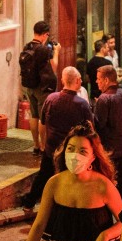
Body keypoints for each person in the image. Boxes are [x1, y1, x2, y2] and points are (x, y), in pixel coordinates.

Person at [23, 67, 93, 210]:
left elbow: (42, 123)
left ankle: (29, 203)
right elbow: (90, 129)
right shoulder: (82, 104)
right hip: (72, 151)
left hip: (52, 148)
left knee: (43, 176)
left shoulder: (51, 99)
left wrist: (42, 144)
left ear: (62, 80)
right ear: (78, 81)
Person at [94, 65, 122, 200]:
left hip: (111, 149)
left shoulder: (104, 99)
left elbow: (99, 125)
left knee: (110, 184)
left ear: (106, 80)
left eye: (98, 79)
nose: (96, 81)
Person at [21, 21, 60, 155]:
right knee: (42, 117)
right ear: (45, 34)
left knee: (34, 116)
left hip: (29, 87)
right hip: (42, 88)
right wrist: (57, 52)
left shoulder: (27, 46)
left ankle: (36, 145)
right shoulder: (43, 49)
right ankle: (43, 146)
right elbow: (54, 67)